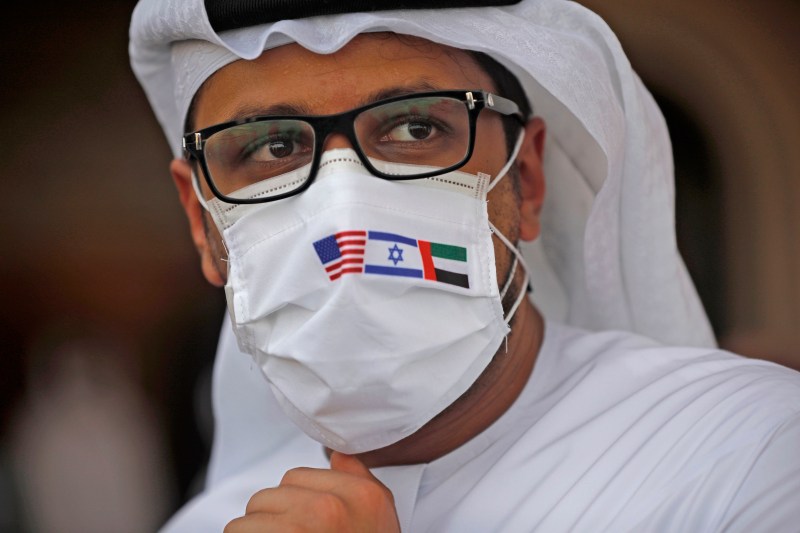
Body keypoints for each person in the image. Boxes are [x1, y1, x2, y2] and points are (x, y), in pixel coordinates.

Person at [130, 1, 800, 531]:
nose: (344, 207)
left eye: (416, 129)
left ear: (528, 178)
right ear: (201, 219)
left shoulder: (750, 454)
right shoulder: (210, 525)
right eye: (273, 145)